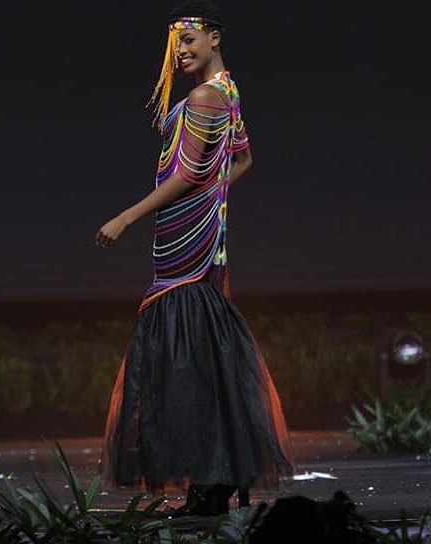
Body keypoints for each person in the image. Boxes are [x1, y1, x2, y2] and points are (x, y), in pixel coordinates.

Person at [95, 0, 295, 516]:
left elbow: (185, 175)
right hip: (198, 237)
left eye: (189, 41)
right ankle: (213, 484)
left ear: (214, 38)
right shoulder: (227, 92)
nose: (180, 52)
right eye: (176, 43)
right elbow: (243, 158)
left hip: (186, 244)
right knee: (202, 352)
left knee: (186, 357)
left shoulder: (207, 96)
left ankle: (210, 483)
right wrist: (216, 195)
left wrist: (126, 216)